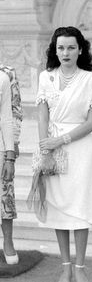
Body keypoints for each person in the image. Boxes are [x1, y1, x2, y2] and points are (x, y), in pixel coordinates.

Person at [36, 26, 92, 282]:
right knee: (59, 208)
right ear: (55, 50)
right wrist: (46, 147)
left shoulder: (90, 79)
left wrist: (61, 140)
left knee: (79, 207)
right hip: (51, 150)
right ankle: (65, 265)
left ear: (80, 49)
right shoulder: (46, 77)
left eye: (71, 47)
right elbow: (42, 114)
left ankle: (80, 267)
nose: (65, 52)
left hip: (80, 150)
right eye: (61, 47)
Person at [0, 64, 23, 265]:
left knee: (5, 195)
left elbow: (7, 118)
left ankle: (8, 242)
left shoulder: (4, 77)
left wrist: (9, 155)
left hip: (0, 149)